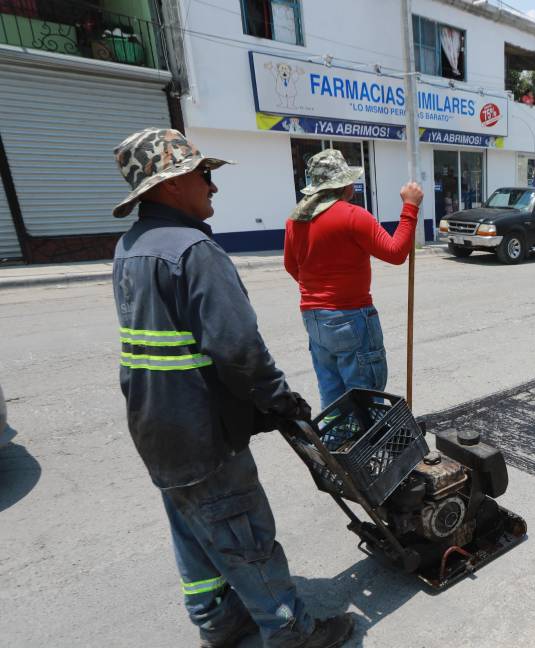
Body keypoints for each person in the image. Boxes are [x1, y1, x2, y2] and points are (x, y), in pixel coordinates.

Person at [111, 128, 354, 647]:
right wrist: (279, 401)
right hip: (201, 428)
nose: (213, 186)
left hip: (154, 426)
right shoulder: (195, 251)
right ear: (172, 183)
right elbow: (237, 348)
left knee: (194, 530)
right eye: (204, 174)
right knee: (244, 532)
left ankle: (217, 620)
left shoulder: (130, 248)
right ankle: (292, 631)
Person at [284, 149, 423, 411]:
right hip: (350, 317)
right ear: (344, 185)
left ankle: (337, 446)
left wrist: (319, 290)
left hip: (314, 317)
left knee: (333, 395)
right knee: (365, 397)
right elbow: (395, 253)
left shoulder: (296, 220)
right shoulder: (352, 216)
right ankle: (369, 448)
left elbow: (292, 266)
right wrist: (410, 207)